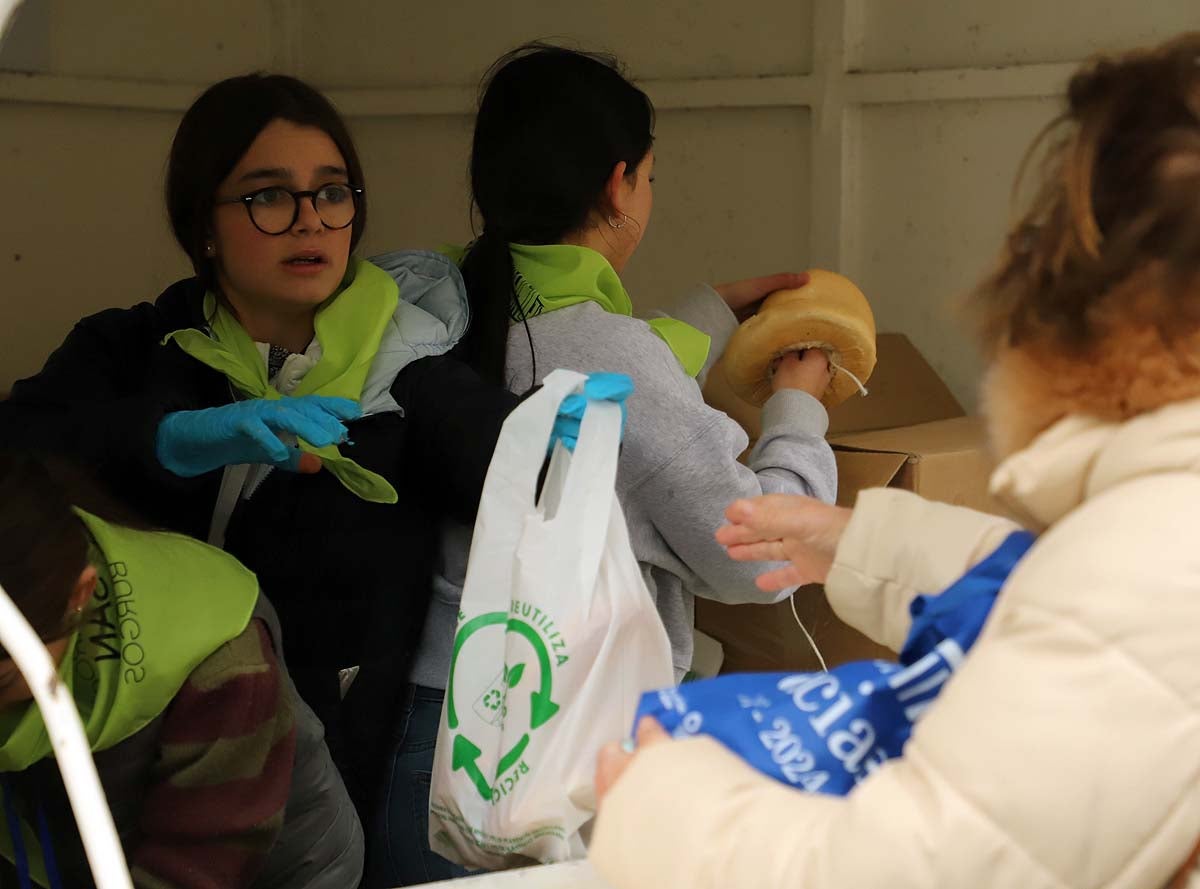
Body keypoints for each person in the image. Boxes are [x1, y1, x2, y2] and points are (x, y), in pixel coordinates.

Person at [589, 32, 1200, 889]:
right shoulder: (1156, 544)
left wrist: (666, 805)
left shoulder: (1145, 568)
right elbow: (1059, 599)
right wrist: (858, 540)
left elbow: (913, 865)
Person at [0, 73, 619, 824]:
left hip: (324, 775)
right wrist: (164, 438)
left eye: (332, 192)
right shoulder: (132, 347)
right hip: (122, 750)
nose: (309, 221)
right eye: (268, 195)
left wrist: (550, 441)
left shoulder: (411, 365)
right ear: (202, 223)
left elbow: (496, 468)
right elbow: (21, 451)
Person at [372, 44, 838, 886]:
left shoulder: (436, 308)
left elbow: (578, 376)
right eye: (651, 179)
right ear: (619, 184)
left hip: (417, 741)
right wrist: (799, 408)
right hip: (548, 751)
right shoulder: (611, 354)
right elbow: (762, 557)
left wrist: (702, 316)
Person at [0, 453, 361, 888]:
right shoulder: (39, 552)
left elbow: (197, 866)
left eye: (2, 681)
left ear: (81, 594)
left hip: (269, 870)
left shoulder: (222, 662)